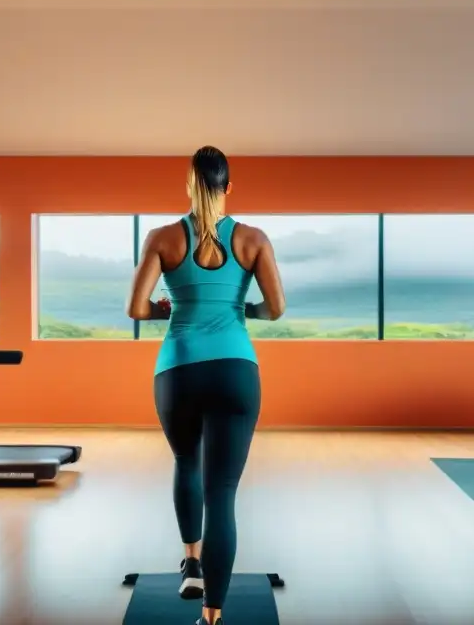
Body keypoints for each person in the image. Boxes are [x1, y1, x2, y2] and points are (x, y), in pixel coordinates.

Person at [126, 145, 286, 625]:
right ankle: (211, 615)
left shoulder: (161, 238)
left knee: (184, 461)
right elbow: (275, 309)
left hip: (178, 371)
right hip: (236, 370)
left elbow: (136, 309)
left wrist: (165, 309)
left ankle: (192, 561)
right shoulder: (254, 240)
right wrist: (243, 311)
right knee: (223, 492)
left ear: (189, 184)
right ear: (228, 187)